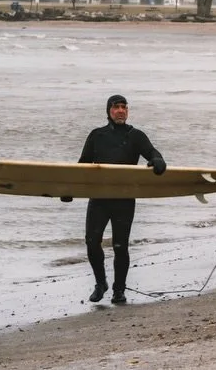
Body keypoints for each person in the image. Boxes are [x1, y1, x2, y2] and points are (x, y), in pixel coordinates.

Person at [77, 94, 165, 304]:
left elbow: (151, 151)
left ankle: (119, 290)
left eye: (124, 107)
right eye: (116, 107)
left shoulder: (136, 136)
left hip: (124, 199)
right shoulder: (96, 135)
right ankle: (101, 283)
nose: (120, 111)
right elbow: (81, 166)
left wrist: (157, 159)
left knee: (120, 246)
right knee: (92, 242)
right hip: (99, 198)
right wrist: (69, 189)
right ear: (108, 111)